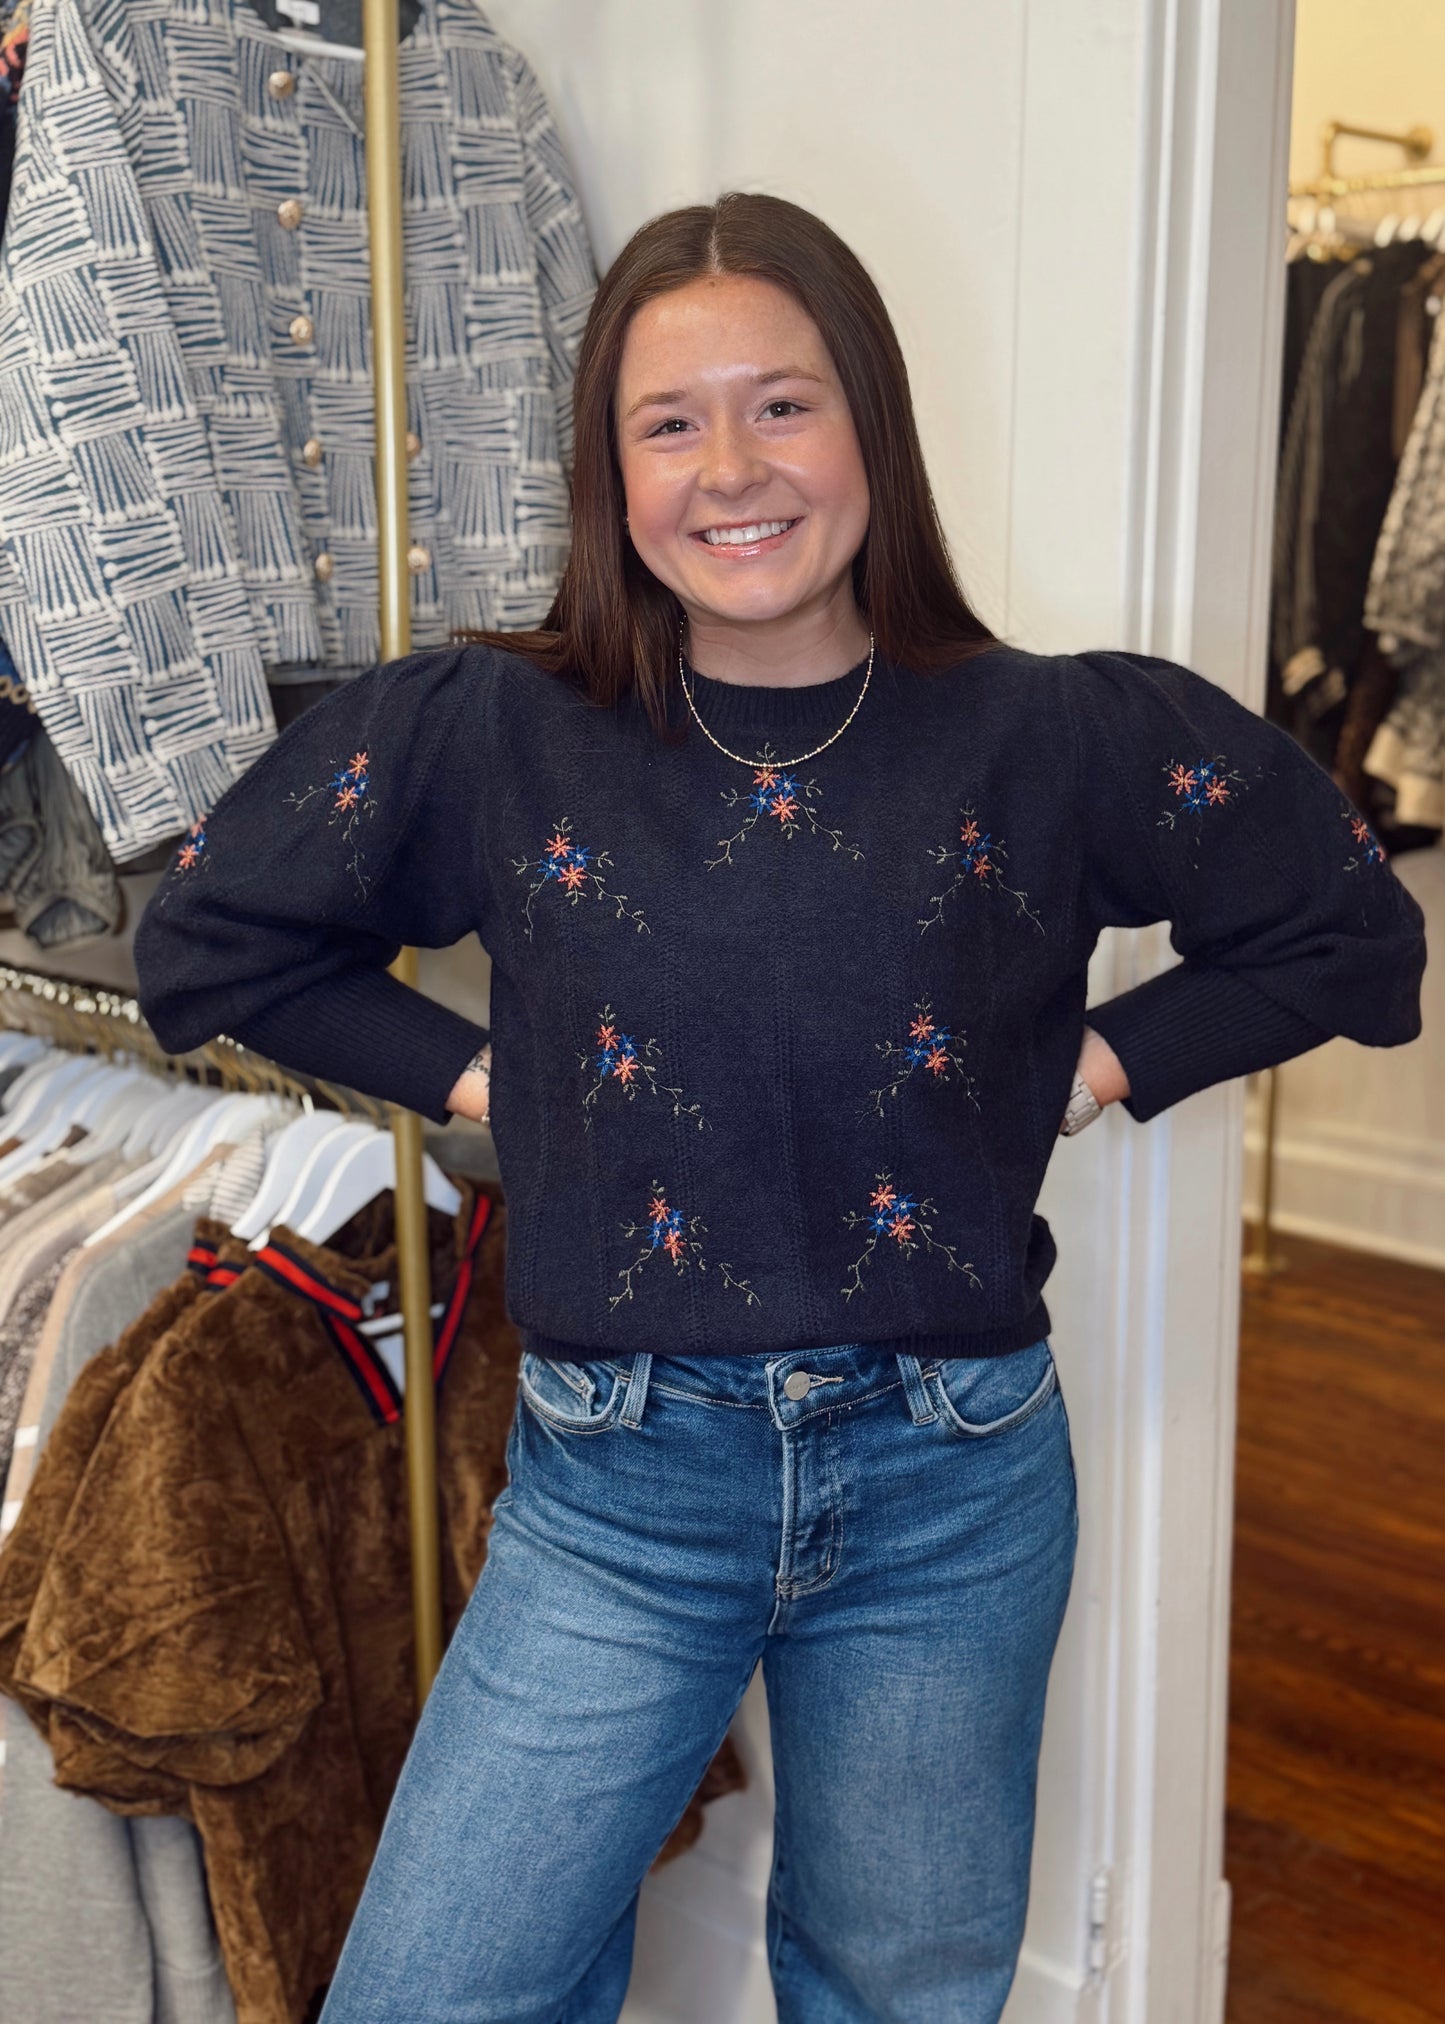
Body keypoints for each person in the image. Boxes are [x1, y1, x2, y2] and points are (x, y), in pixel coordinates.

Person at [133, 192, 1427, 2024]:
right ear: (612, 468)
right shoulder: (488, 732)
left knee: (897, 1990)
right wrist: (485, 1077)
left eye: (783, 404)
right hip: (618, 1488)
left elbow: (1350, 939)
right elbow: (211, 944)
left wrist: (1104, 1061)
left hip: (952, 1482)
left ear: (871, 430)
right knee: (439, 1991)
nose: (730, 467)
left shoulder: (1055, 734)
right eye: (670, 422)